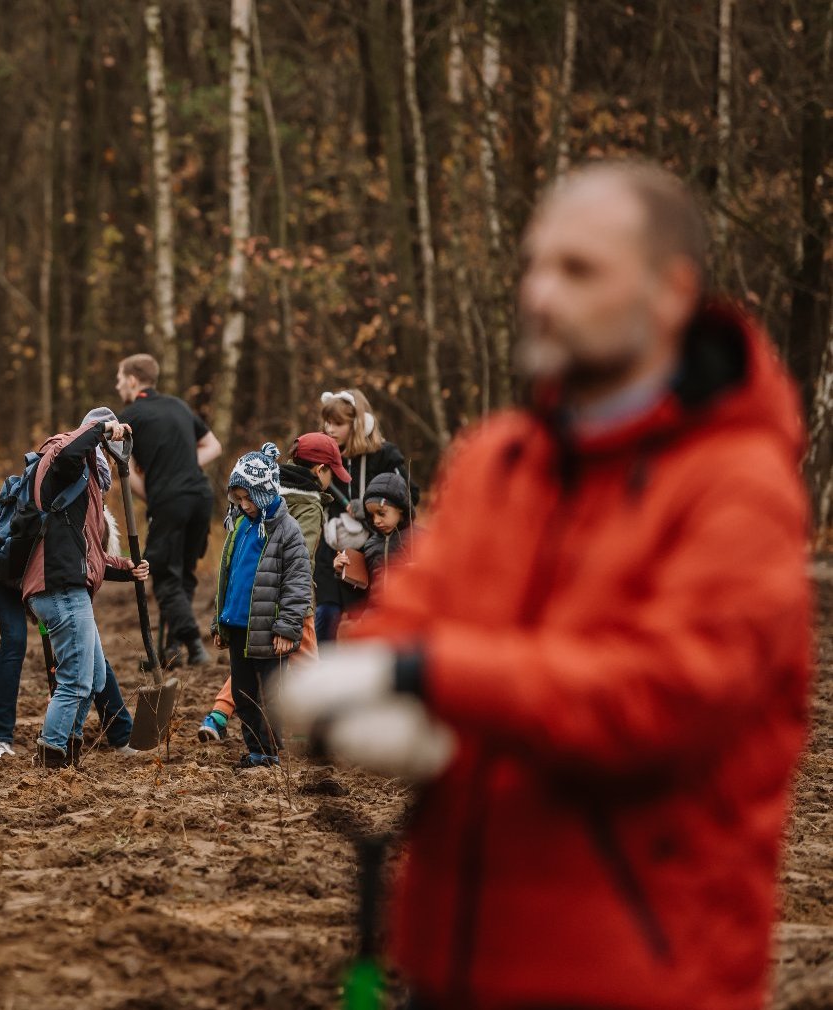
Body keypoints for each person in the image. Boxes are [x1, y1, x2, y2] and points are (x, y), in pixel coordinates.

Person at [279, 161, 812, 1010]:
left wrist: (430, 680)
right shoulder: (500, 459)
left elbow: (667, 694)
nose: (541, 293)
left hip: (642, 974)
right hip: (453, 957)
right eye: (535, 265)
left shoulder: (736, 483)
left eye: (579, 270)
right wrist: (382, 697)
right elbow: (402, 617)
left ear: (671, 292)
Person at [22, 407, 151, 768]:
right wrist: (104, 428)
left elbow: (93, 556)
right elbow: (68, 450)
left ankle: (70, 748)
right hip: (59, 588)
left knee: (92, 677)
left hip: (68, 587)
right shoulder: (65, 461)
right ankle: (51, 754)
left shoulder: (82, 499)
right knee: (76, 680)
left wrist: (128, 568)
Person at [199, 432, 343, 742]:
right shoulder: (305, 504)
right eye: (334, 472)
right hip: (291, 602)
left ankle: (219, 713)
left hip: (258, 600)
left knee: (250, 662)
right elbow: (298, 560)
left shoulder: (266, 489)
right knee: (301, 663)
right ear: (320, 471)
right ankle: (316, 730)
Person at [0, 502, 137, 765]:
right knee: (15, 642)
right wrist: (29, 587)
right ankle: (0, 738)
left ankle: (122, 734)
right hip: (5, 580)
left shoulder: (86, 533)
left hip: (50, 583)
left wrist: (129, 571)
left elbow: (93, 563)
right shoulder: (51, 518)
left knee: (89, 653)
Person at [114, 354, 222, 666]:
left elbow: (125, 468)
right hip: (200, 496)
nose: (118, 384)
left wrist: (161, 485)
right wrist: (182, 468)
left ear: (133, 380)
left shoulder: (130, 417)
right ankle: (172, 648)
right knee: (184, 572)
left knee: (162, 572)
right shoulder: (178, 405)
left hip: (170, 499)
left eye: (120, 378)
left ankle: (193, 644)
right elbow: (213, 445)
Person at [208, 443, 311, 769]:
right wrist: (220, 623)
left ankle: (269, 752)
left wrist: (287, 627)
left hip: (269, 629)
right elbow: (228, 576)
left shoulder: (287, 531)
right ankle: (256, 750)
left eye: (248, 498)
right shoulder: (240, 526)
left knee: (270, 695)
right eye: (238, 498)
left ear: (266, 492)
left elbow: (298, 584)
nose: (243, 504)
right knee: (242, 693)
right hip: (238, 625)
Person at [311, 387, 406, 643]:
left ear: (359, 423)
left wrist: (366, 506)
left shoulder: (385, 455)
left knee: (364, 616)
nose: (330, 429)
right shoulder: (325, 457)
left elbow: (407, 496)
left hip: (371, 548)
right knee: (327, 610)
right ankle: (325, 674)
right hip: (332, 549)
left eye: (337, 423)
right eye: (327, 423)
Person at [331, 471, 415, 605]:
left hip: (409, 619)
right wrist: (343, 573)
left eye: (381, 513)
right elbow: (360, 595)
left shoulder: (421, 540)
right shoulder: (370, 545)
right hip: (376, 619)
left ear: (401, 508)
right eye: (371, 515)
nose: (376, 521)